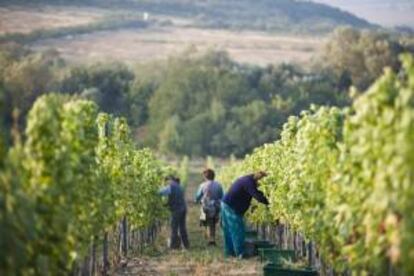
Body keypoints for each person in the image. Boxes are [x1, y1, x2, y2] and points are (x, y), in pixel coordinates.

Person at [221, 171, 269, 258]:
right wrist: (269, 202)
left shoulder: (247, 180)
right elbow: (257, 196)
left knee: (229, 230)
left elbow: (254, 193)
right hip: (232, 206)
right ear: (258, 178)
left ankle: (230, 253)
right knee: (238, 230)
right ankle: (240, 253)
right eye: (260, 182)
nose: (260, 185)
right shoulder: (249, 182)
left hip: (227, 204)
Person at [159, 175, 190, 250]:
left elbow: (160, 192)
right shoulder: (179, 186)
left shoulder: (171, 186)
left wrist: (154, 191)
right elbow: (174, 198)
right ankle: (186, 245)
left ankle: (174, 246)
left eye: (166, 182)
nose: (166, 184)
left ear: (169, 180)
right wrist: (167, 204)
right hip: (183, 208)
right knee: (182, 227)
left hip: (177, 210)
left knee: (174, 228)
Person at [195, 169, 224, 246]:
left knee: (208, 222)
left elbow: (198, 196)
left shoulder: (202, 185)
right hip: (216, 206)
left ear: (205, 176)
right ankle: (212, 238)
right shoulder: (218, 185)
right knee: (213, 222)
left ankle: (211, 239)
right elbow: (222, 196)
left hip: (206, 207)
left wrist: (197, 200)